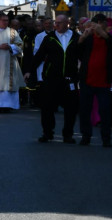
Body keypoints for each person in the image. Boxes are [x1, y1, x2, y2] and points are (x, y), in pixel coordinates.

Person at [26, 13, 79, 143]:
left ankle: (68, 134)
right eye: (56, 23)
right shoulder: (49, 38)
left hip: (69, 78)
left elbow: (82, 55)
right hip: (51, 78)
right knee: (47, 107)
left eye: (59, 23)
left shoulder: (76, 37)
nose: (56, 25)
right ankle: (47, 132)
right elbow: (39, 55)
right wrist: (29, 71)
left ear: (67, 23)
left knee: (70, 109)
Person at [76, 14, 112, 147]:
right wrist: (82, 38)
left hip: (104, 81)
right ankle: (86, 136)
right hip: (87, 80)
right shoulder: (88, 39)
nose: (97, 27)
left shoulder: (109, 38)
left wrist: (103, 34)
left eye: (100, 24)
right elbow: (76, 53)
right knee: (84, 110)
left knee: (105, 111)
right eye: (96, 24)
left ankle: (106, 139)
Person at [0, 12, 24, 110]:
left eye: (7, 20)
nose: (5, 22)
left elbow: (20, 45)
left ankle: (10, 105)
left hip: (9, 61)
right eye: (3, 20)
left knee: (9, 81)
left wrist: (10, 46)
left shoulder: (13, 32)